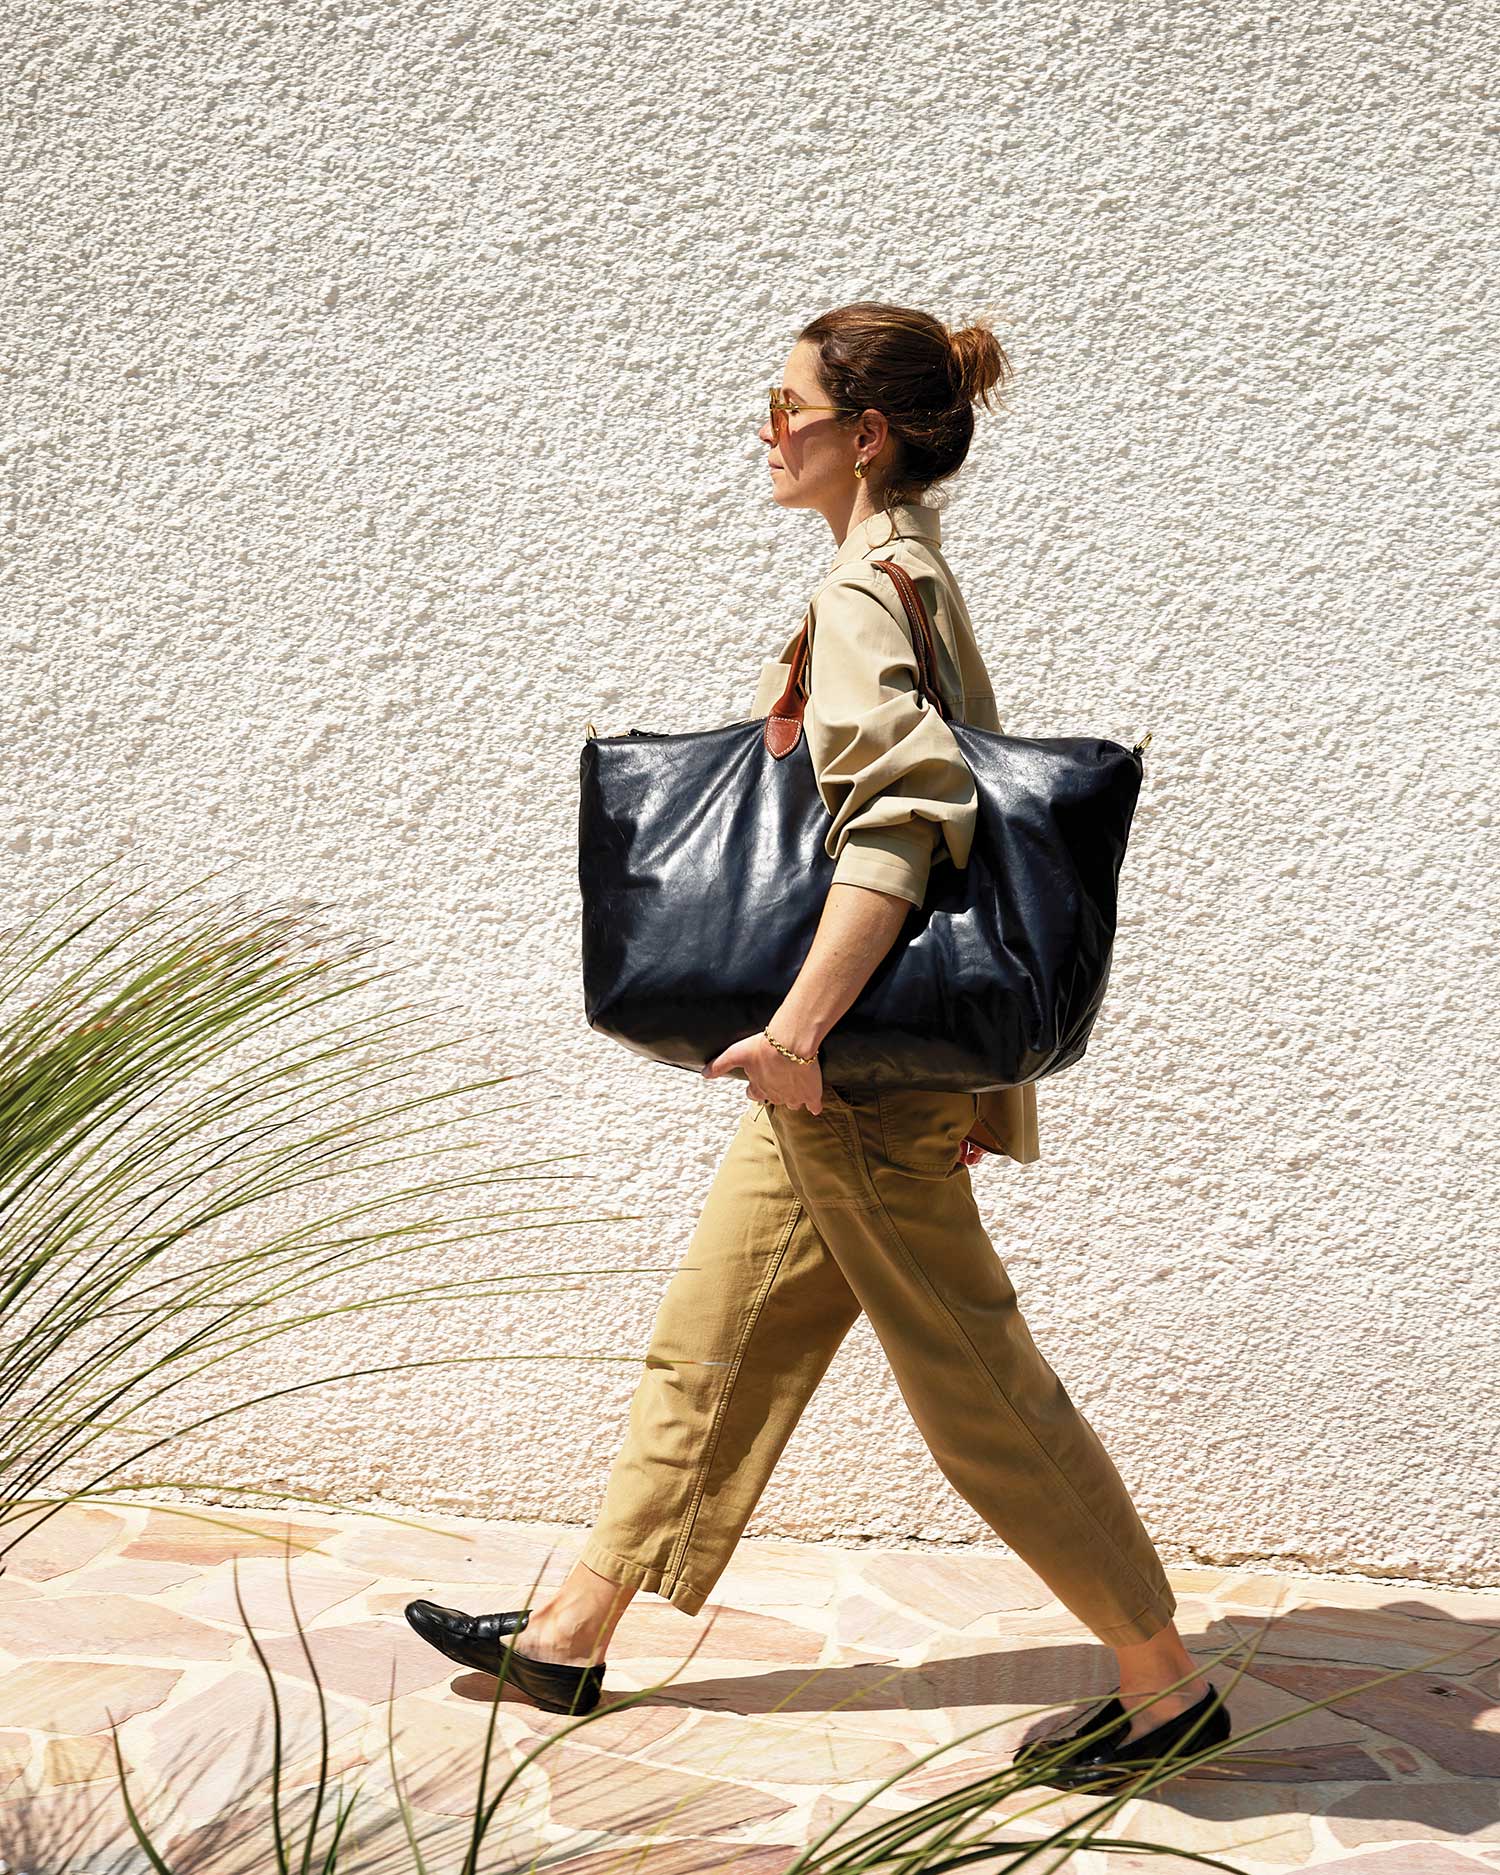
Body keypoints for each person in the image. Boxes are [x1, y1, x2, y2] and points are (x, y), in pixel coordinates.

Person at [407, 301, 1231, 1789]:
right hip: (850, 1080)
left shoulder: (868, 587)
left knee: (980, 1391)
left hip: (841, 1076)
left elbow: (910, 830)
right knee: (716, 1340)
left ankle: (1164, 1687)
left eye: (784, 407)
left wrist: (790, 1034)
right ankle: (574, 1634)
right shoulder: (904, 568)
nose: (763, 428)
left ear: (863, 436)